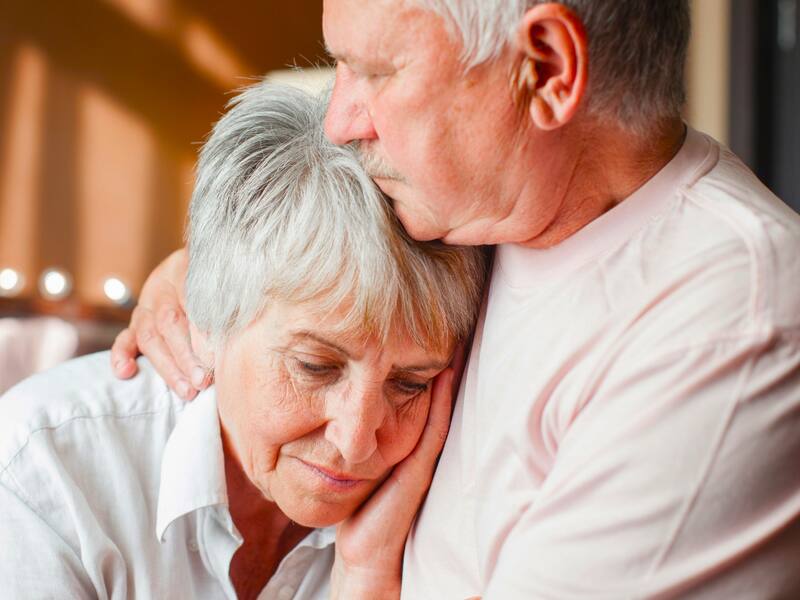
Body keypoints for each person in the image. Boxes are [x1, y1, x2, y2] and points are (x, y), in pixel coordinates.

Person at [112, 1, 800, 597]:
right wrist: (203, 282)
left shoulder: (722, 330)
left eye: (376, 73)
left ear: (549, 71)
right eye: (339, 68)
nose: (341, 119)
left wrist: (367, 580)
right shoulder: (491, 203)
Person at [0, 82, 486, 599]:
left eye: (409, 384)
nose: (356, 439)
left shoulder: (454, 499)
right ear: (204, 321)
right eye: (315, 366)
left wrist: (365, 583)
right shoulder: (44, 470)